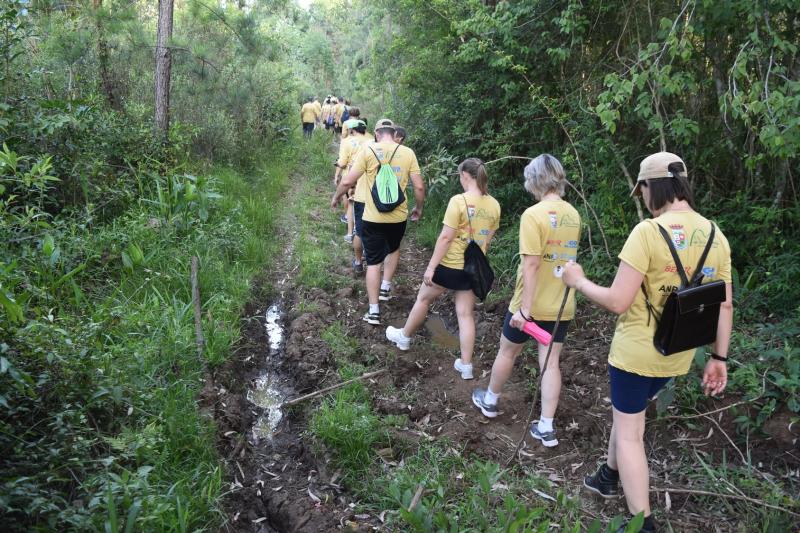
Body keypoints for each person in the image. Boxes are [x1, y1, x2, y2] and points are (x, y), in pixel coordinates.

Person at [561, 152, 732, 533]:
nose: (643, 200)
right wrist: (719, 357)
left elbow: (618, 301)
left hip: (636, 354)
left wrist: (578, 280)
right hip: (678, 353)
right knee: (628, 414)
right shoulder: (715, 234)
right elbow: (725, 302)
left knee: (630, 433)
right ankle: (608, 475)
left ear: (652, 187)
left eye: (642, 193)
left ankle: (643, 523)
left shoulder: (648, 233)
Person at [472, 154, 580, 449]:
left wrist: (526, 310)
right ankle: (546, 426)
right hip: (561, 304)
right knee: (551, 362)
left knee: (508, 351)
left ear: (535, 180)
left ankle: (490, 401)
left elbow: (531, 265)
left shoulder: (533, 215)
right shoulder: (573, 214)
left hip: (529, 304)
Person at [386, 158, 500, 380]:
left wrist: (431, 267)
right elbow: (488, 238)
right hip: (472, 269)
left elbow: (446, 237)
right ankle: (466, 366)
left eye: (460, 177)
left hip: (450, 266)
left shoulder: (459, 201)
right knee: (465, 314)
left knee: (423, 299)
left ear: (465, 176)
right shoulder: (494, 204)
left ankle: (405, 337)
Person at [331, 118, 425, 324]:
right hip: (398, 216)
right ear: (394, 133)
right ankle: (385, 287)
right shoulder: (407, 152)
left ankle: (374, 311)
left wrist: (338, 196)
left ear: (377, 133)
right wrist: (418, 208)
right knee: (393, 249)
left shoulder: (368, 150)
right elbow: (419, 187)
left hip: (372, 217)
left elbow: (348, 180)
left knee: (373, 262)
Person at [333, 119, 371, 256]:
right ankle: (366, 243)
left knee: (350, 203)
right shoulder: (372, 139)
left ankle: (350, 233)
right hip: (367, 178)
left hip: (350, 175)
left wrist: (336, 174)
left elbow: (342, 162)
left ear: (352, 130)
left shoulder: (347, 141)